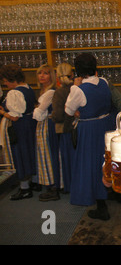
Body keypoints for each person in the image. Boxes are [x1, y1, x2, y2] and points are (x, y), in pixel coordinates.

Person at [65, 53, 113, 219]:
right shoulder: (104, 82)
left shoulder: (77, 90)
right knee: (107, 158)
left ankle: (101, 206)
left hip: (89, 129)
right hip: (107, 125)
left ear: (77, 70)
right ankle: (112, 192)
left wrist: (80, 112)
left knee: (91, 164)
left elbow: (68, 111)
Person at [0, 64, 37, 200]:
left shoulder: (14, 93)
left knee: (20, 154)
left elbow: (15, 116)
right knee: (29, 152)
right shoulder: (27, 88)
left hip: (20, 127)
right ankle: (32, 181)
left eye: (5, 81)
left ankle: (24, 188)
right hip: (29, 124)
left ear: (10, 79)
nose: (4, 83)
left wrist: (3, 112)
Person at [34, 64, 61, 201]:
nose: (42, 76)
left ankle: (53, 186)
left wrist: (36, 109)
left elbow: (38, 114)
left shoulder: (50, 92)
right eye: (40, 73)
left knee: (48, 154)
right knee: (45, 154)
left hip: (47, 125)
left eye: (45, 73)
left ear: (52, 75)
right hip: (44, 124)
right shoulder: (44, 91)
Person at [51, 63, 75, 193]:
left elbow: (58, 115)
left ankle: (70, 187)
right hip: (77, 128)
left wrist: (52, 117)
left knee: (67, 160)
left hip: (65, 130)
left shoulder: (59, 92)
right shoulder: (77, 88)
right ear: (72, 74)